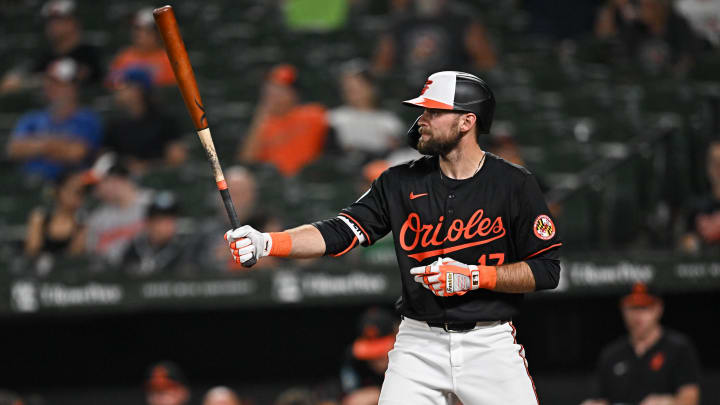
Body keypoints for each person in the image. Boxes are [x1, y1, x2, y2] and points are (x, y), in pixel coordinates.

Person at [225, 71, 562, 404]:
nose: (423, 119)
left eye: (434, 111)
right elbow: (341, 231)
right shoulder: (399, 181)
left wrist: (474, 276)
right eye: (423, 111)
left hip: (489, 341)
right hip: (418, 341)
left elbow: (546, 271)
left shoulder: (514, 184)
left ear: (466, 122)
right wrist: (269, 242)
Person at [581, 282, 701, 405]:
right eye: (632, 307)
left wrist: (668, 402)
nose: (638, 315)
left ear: (658, 309)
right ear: (623, 309)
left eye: (644, 307)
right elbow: (600, 398)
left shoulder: (678, 348)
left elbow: (691, 398)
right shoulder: (611, 354)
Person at [6, 58, 103, 182]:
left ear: (73, 87)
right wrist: (53, 146)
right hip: (29, 182)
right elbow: (14, 150)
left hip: (68, 183)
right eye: (49, 82)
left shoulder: (88, 119)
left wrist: (35, 146)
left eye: (59, 84)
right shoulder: (31, 118)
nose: (51, 88)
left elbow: (77, 154)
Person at [237, 64, 330, 177]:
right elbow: (246, 161)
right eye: (270, 88)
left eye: (281, 89)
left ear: (294, 93)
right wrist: (261, 115)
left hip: (309, 179)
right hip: (275, 182)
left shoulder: (314, 114)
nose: (273, 94)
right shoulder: (262, 125)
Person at [372, 0, 496, 82]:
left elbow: (486, 62)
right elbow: (381, 66)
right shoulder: (399, 21)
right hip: (410, 88)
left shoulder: (462, 20)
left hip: (452, 88)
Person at [0, 0, 102, 94]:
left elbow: (84, 78)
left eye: (59, 20)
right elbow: (27, 77)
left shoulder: (89, 53)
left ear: (74, 22)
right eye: (50, 21)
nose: (52, 25)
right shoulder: (45, 56)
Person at [104, 68, 186, 176]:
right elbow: (106, 157)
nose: (117, 92)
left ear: (139, 90)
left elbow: (177, 159)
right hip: (127, 178)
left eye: (122, 87)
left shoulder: (165, 120)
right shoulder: (114, 124)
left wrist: (146, 167)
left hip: (161, 177)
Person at [594, 0, 702, 76]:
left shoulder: (679, 24)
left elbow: (689, 54)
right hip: (642, 85)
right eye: (642, 6)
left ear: (661, 8)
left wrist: (678, 72)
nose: (644, 11)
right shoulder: (634, 28)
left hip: (672, 84)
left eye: (650, 7)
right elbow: (622, 55)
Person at [328, 60, 404, 162]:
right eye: (347, 85)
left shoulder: (388, 120)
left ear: (372, 87)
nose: (352, 88)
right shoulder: (333, 118)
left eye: (359, 84)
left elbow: (397, 152)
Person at [85, 162, 152, 266]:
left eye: (100, 183)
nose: (97, 190)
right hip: (112, 272)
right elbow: (94, 253)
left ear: (116, 180)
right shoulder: (97, 217)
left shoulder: (152, 203)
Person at [121, 191, 193, 277]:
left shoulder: (184, 249)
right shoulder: (135, 248)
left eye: (171, 220)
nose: (168, 225)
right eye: (161, 220)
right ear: (149, 223)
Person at [340, 308, 398, 405]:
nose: (375, 359)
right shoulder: (355, 362)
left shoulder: (407, 360)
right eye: (372, 354)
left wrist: (380, 394)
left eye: (380, 354)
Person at [106, 7, 176, 87]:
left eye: (146, 31)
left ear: (158, 34)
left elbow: (171, 89)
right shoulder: (124, 56)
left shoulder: (168, 59)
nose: (139, 34)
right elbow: (110, 83)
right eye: (137, 29)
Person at [682, 140, 720, 254]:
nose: (719, 168)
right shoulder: (696, 207)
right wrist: (689, 243)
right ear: (708, 167)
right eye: (715, 163)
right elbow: (685, 241)